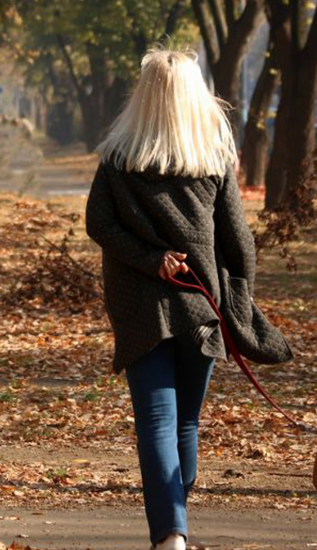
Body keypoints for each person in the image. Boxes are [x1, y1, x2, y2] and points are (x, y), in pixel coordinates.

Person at [84, 47, 293, 550]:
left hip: (139, 309)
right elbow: (237, 239)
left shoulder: (118, 157)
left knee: (157, 420)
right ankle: (175, 522)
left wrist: (148, 259)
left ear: (145, 96)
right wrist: (239, 300)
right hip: (203, 306)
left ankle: (170, 535)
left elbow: (99, 224)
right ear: (195, 96)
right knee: (186, 420)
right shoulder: (212, 158)